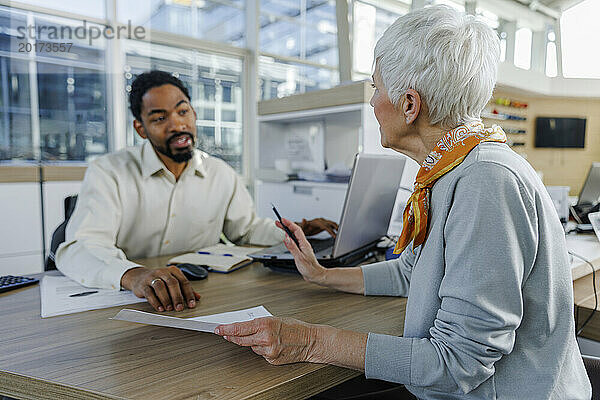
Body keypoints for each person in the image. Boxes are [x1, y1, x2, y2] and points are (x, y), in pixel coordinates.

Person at [214, 6, 592, 399]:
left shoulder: (485, 181)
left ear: (410, 105)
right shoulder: (452, 166)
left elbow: (457, 363)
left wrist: (311, 341)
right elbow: (412, 273)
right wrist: (321, 275)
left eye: (375, 88)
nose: (372, 101)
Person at [56, 70, 338, 314]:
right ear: (140, 129)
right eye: (159, 118)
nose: (177, 124)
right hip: (129, 302)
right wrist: (133, 275)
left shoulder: (220, 173)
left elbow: (247, 229)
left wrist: (298, 231)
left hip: (198, 298)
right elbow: (81, 247)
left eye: (183, 111)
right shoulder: (108, 172)